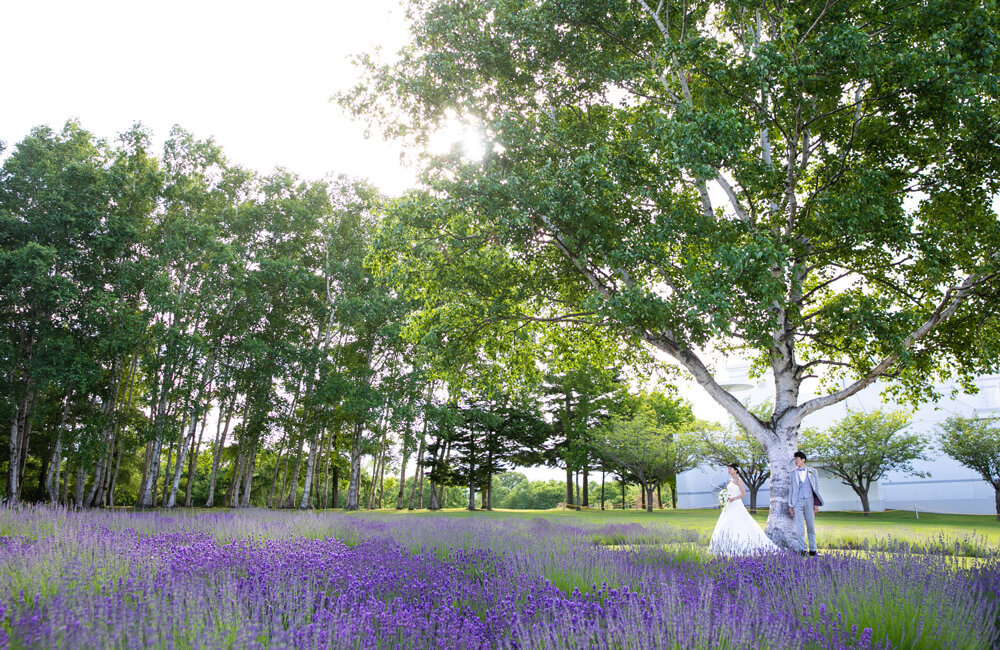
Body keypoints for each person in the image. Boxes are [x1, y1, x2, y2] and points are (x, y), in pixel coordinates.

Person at [708, 463, 778, 556]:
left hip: (736, 503)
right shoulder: (730, 480)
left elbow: (743, 493)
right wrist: (725, 497)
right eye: (728, 469)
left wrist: (734, 498)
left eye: (731, 469)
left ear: (736, 470)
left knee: (739, 522)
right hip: (729, 504)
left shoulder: (738, 480)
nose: (729, 470)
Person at [788, 450, 824, 556]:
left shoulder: (813, 472)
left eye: (797, 459)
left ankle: (813, 550)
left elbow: (816, 487)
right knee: (799, 527)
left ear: (803, 460)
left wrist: (816, 504)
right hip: (797, 502)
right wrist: (790, 505)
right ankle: (803, 550)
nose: (795, 461)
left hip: (809, 501)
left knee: (811, 526)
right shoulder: (792, 473)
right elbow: (791, 489)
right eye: (795, 459)